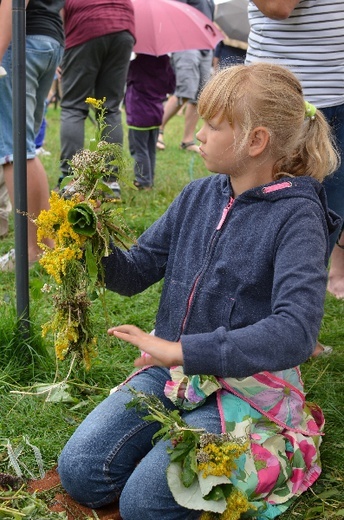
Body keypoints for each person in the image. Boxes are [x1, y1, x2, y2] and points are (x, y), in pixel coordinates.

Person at [58, 63, 341, 520]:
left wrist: (183, 350)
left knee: (143, 506)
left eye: (212, 125)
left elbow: (296, 332)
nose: (199, 134)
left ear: (256, 141)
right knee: (81, 472)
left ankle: (253, 446)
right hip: (174, 371)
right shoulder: (197, 195)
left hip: (246, 387)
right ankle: (184, 430)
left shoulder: (297, 219)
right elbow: (133, 273)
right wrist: (91, 239)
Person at [245, 0, 344, 301]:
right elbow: (278, 6)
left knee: (327, 210)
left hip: (331, 92)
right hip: (281, 95)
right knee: (273, 210)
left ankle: (293, 315)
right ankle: (270, 317)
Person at [0, 0, 64, 271]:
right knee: (24, 148)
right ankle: (46, 244)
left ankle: (31, 250)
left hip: (19, 39)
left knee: (15, 151)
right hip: (48, 40)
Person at [57, 0, 136, 199]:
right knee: (110, 108)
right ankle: (111, 182)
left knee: (73, 107)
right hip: (123, 26)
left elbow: (58, 10)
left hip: (85, 25)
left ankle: (73, 179)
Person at [157, 0, 215, 153]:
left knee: (200, 96)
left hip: (205, 47)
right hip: (186, 43)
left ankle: (187, 141)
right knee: (185, 91)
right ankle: (158, 130)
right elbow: (175, 11)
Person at [125, 54, 176, 190]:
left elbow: (126, 79)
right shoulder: (165, 64)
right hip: (156, 113)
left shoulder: (135, 65)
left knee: (139, 149)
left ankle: (143, 181)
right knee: (150, 149)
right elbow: (171, 87)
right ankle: (149, 179)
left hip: (139, 114)